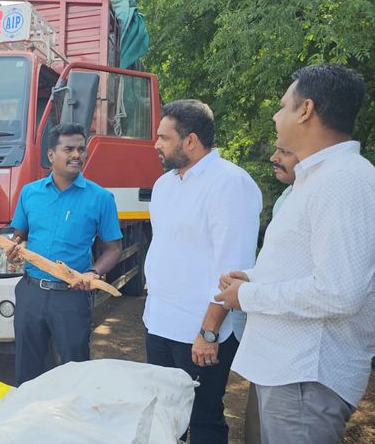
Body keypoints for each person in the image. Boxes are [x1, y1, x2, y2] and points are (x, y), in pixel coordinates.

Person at [216, 63, 374, 444]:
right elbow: (315, 267)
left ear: (306, 110)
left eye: (284, 105)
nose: (275, 114)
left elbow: (339, 291)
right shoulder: (320, 179)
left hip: (305, 377)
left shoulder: (343, 180)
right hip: (292, 373)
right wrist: (254, 280)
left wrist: (248, 295)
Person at [143, 99, 262, 444]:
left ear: (190, 140)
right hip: (160, 322)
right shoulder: (165, 185)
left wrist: (208, 332)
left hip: (200, 331)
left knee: (203, 416)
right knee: (164, 414)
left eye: (164, 138)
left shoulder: (229, 183)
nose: (156, 145)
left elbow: (233, 267)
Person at [6, 122, 123, 385]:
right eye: (68, 149)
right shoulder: (30, 193)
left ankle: (72, 423)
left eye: (81, 149)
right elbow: (19, 238)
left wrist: (92, 273)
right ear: (51, 155)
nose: (77, 155)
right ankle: (30, 423)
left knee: (74, 370)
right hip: (31, 293)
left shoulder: (100, 198)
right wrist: (14, 251)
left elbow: (113, 248)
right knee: (27, 371)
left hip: (71, 297)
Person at [243, 140, 299, 444]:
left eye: (285, 152)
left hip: (295, 354)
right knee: (259, 424)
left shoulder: (332, 194)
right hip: (271, 338)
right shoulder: (286, 198)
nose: (273, 158)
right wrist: (251, 277)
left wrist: (248, 294)